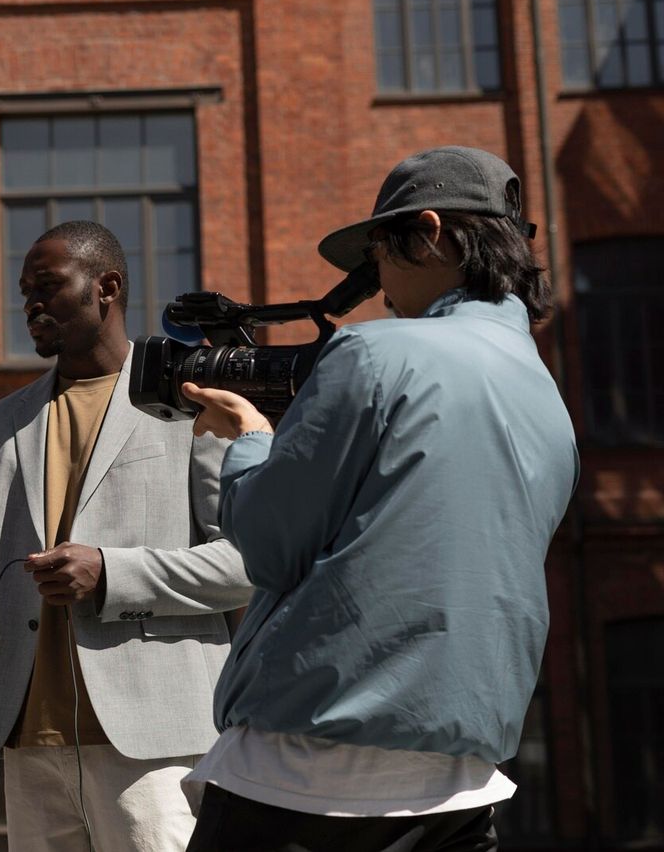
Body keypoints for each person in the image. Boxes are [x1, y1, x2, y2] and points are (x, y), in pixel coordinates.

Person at [179, 146, 579, 851]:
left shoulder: (372, 353)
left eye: (378, 256)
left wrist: (244, 437)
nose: (381, 286)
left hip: (305, 775)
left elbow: (269, 544)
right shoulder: (551, 402)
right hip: (462, 781)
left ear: (426, 232)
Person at [0, 221, 252, 851]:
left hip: (155, 738)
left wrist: (111, 573)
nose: (30, 304)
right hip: (28, 735)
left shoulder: (194, 403)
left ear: (107, 288)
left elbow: (244, 565)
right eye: (23, 291)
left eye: (47, 286)